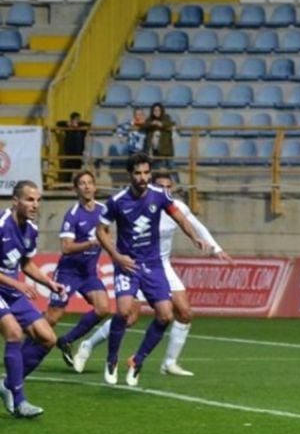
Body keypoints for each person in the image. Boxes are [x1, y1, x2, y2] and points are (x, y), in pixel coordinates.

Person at [75, 171, 232, 377]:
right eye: (161, 186)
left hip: (161, 264)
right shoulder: (142, 205)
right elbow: (105, 229)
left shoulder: (175, 207)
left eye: (168, 187)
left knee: (184, 312)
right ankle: (88, 345)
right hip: (138, 263)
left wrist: (216, 248)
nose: (164, 190)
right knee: (128, 317)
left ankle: (169, 363)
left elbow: (196, 225)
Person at [93, 153, 208, 386]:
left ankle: (138, 360)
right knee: (124, 312)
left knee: (165, 315)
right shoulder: (117, 201)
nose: (143, 177)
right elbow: (100, 231)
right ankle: (112, 358)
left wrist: (195, 238)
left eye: (147, 173)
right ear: (129, 175)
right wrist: (116, 256)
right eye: (138, 173)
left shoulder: (160, 195)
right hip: (128, 264)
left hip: (154, 264)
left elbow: (180, 218)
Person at [0, 181, 65, 418]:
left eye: (38, 200)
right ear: (15, 201)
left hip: (10, 291)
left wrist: (48, 282)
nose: (35, 205)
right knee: (14, 333)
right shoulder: (1, 225)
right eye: (29, 199)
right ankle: (20, 401)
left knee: (48, 338)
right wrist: (16, 283)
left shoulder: (31, 229)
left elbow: (25, 263)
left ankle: (8, 384)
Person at [44, 170, 110, 371]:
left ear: (95, 186)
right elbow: (66, 247)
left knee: (103, 308)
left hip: (88, 273)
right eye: (82, 183)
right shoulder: (73, 214)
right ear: (76, 189)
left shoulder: (103, 210)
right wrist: (90, 244)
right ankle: (21, 345)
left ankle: (67, 340)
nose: (87, 186)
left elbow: (106, 236)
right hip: (68, 272)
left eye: (90, 182)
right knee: (52, 318)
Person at [142, 103, 175, 176]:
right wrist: (152, 123)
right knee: (158, 170)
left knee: (172, 168)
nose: (156, 112)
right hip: (155, 151)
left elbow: (171, 123)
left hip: (167, 150)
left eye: (158, 110)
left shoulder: (166, 117)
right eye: (155, 110)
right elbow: (144, 125)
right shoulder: (150, 119)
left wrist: (161, 124)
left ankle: (178, 185)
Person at [57, 111, 88, 184]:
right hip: (69, 152)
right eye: (75, 119)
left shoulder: (82, 128)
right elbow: (58, 123)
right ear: (71, 120)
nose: (77, 121)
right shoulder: (68, 127)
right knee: (68, 170)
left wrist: (78, 125)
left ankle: (78, 183)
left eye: (78, 119)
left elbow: (88, 124)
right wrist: (68, 124)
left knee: (78, 170)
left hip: (78, 152)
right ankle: (66, 185)